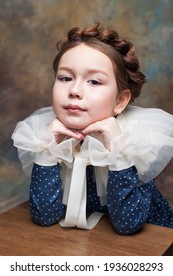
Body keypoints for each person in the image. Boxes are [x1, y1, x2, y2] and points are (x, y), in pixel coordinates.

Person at [12, 23, 173, 235]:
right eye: (65, 78)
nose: (75, 90)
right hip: (87, 242)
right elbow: (44, 217)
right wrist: (47, 151)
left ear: (120, 101)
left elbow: (128, 225)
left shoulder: (134, 138)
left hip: (153, 242)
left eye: (94, 81)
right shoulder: (47, 132)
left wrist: (119, 152)